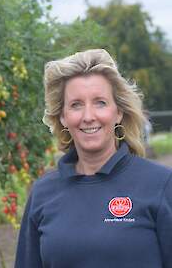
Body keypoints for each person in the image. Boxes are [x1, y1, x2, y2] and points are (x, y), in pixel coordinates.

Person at [14, 49, 172, 268]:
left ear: (118, 112)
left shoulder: (162, 185)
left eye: (100, 102)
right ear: (63, 117)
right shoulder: (42, 193)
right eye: (76, 104)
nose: (88, 116)